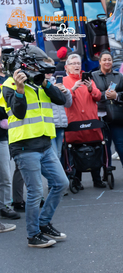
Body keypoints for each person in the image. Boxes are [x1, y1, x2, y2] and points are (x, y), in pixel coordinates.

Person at [0, 68, 69, 247]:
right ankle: (33, 235)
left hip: (45, 143)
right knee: (35, 191)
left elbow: (61, 100)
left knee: (61, 183)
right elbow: (19, 113)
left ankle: (43, 223)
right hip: (24, 146)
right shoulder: (9, 85)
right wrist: (20, 90)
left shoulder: (40, 82)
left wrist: (45, 82)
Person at [63, 53, 105, 188]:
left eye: (78, 63)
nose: (76, 66)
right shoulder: (64, 81)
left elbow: (98, 96)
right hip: (74, 124)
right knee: (75, 154)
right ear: (66, 67)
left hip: (91, 122)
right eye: (73, 64)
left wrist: (91, 88)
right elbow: (63, 99)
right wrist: (73, 89)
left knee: (96, 150)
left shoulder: (88, 80)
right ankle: (76, 180)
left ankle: (97, 179)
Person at [91, 51, 123, 180]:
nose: (107, 62)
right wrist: (104, 95)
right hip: (100, 115)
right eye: (104, 60)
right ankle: (106, 171)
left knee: (121, 144)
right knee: (104, 145)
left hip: (117, 114)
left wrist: (117, 96)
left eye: (109, 59)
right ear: (100, 62)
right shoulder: (93, 76)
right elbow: (90, 93)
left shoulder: (119, 76)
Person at [0, 64, 20, 221]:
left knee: (5, 175)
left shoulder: (5, 81)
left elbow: (6, 106)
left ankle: (5, 205)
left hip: (2, 137)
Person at [43, 57, 72, 160]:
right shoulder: (40, 86)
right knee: (54, 156)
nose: (49, 71)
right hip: (49, 125)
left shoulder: (58, 82)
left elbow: (68, 104)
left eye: (51, 68)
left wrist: (66, 92)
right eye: (46, 67)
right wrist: (53, 90)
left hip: (60, 123)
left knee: (58, 155)